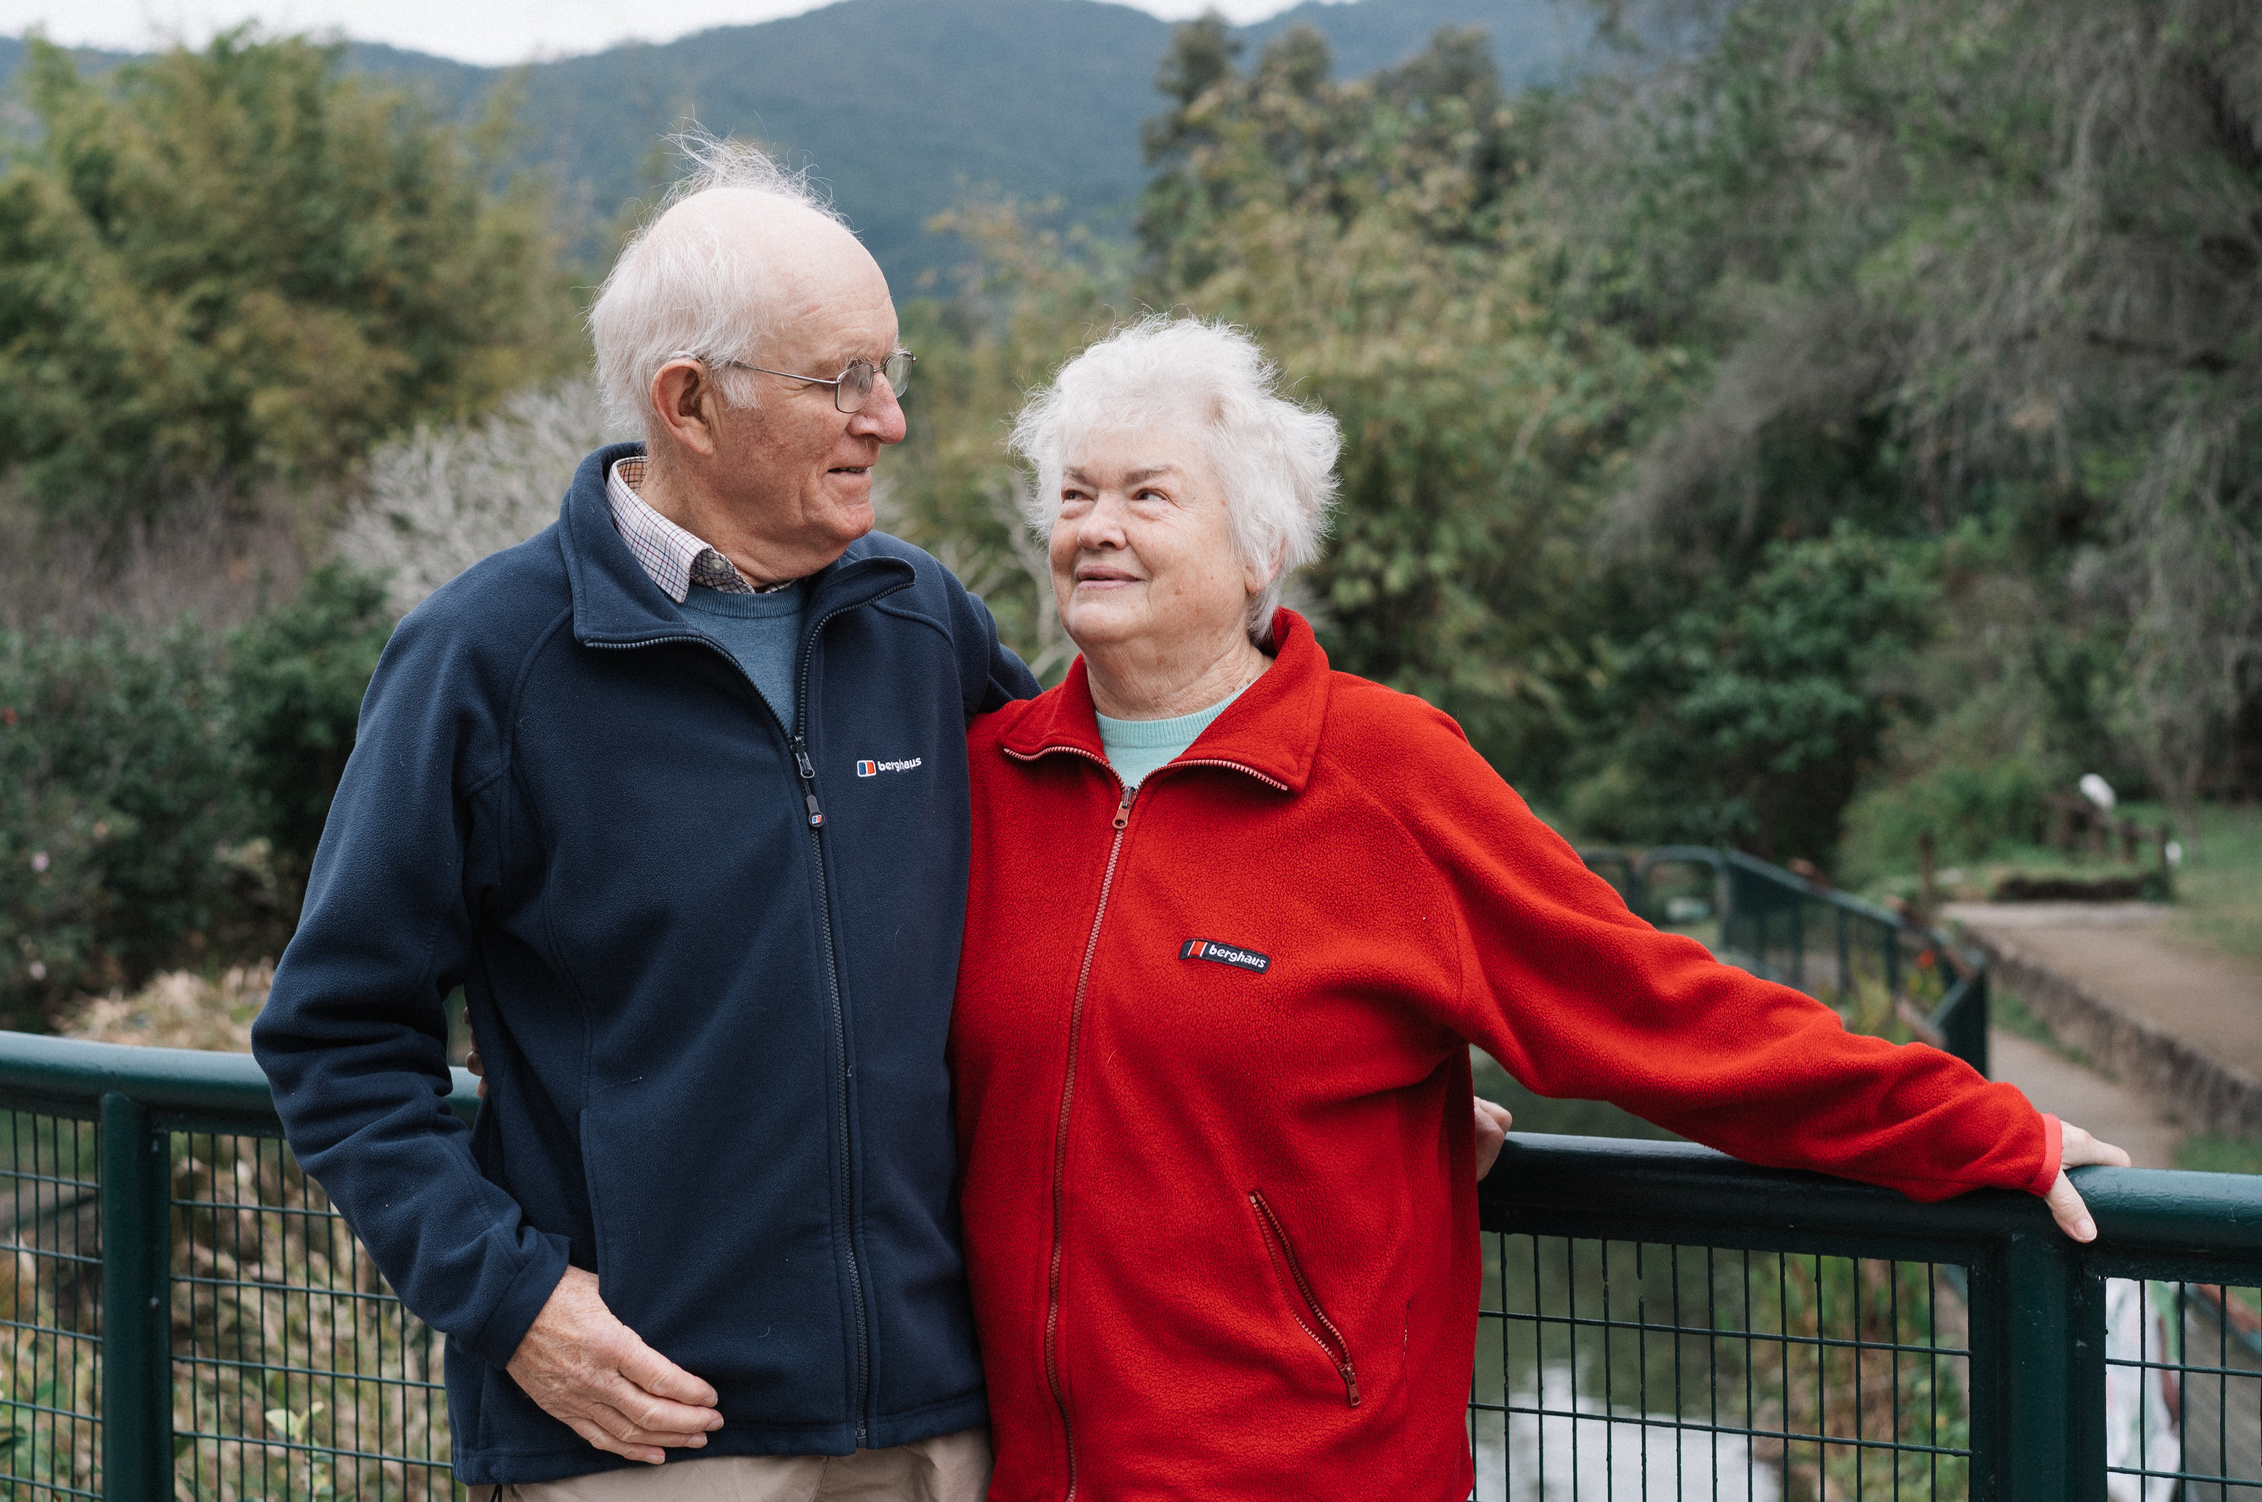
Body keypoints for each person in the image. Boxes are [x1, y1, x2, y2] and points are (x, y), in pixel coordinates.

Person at [947, 315, 2129, 1501]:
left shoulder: (1387, 776)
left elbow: (1655, 1010)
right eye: (1074, 495)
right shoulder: (984, 780)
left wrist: (1967, 1126)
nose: (1095, 529)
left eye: (1147, 496)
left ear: (1259, 548)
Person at [253, 141, 1036, 1498]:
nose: (888, 419)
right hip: (646, 1437)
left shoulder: (924, 621)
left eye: (890, 373)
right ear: (689, 401)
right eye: (843, 381)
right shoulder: (486, 660)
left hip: (931, 1417)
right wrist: (512, 1301)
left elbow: (1107, 873)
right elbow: (333, 1035)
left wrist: (1334, 1060)